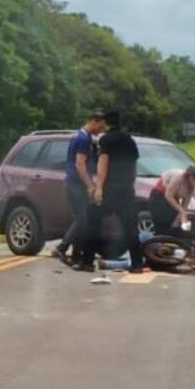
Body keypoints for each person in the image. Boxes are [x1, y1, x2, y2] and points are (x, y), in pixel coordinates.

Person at [78, 111, 145, 273]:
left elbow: (103, 163)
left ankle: (87, 262)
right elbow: (134, 164)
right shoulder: (130, 140)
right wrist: (130, 183)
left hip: (110, 189)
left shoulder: (106, 140)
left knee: (92, 218)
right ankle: (136, 265)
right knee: (130, 227)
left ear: (106, 123)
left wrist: (99, 187)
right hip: (127, 189)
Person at [53, 113, 105, 265]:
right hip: (75, 183)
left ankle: (76, 254)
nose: (100, 130)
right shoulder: (82, 139)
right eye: (100, 127)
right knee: (81, 219)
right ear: (93, 122)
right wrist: (90, 185)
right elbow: (80, 164)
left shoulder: (86, 138)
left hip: (77, 183)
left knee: (83, 220)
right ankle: (62, 248)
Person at [149, 165, 195, 237]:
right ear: (192, 177)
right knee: (164, 220)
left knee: (176, 224)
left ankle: (178, 240)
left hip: (173, 197)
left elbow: (185, 205)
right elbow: (168, 195)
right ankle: (160, 239)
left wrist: (178, 220)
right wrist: (181, 211)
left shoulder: (191, 188)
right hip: (159, 195)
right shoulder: (179, 177)